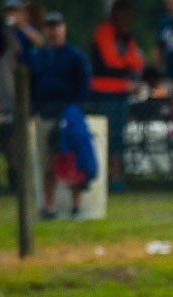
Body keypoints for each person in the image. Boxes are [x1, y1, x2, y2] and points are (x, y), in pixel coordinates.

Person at [28, 9, 90, 213]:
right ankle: (49, 205)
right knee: (47, 162)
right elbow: (31, 84)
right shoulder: (38, 56)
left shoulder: (75, 56)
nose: (53, 31)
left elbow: (83, 86)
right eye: (50, 27)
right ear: (45, 30)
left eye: (57, 26)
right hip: (45, 114)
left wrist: (75, 111)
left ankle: (76, 205)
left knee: (72, 159)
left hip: (69, 115)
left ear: (64, 28)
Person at [87, 0, 140, 190]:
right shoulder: (104, 31)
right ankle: (102, 176)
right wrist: (126, 61)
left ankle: (115, 176)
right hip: (103, 91)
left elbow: (137, 62)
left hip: (122, 92)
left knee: (119, 135)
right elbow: (110, 61)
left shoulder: (127, 36)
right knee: (105, 134)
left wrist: (124, 61)